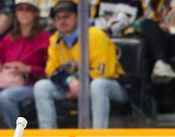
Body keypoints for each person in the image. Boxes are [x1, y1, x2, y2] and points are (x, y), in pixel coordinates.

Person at [32, 0, 127, 129]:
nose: (62, 21)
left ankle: (98, 135)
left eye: (67, 16)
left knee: (98, 85)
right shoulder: (55, 40)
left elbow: (103, 71)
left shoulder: (95, 35)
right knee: (41, 87)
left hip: (112, 85)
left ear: (77, 17)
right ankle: (49, 135)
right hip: (73, 86)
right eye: (58, 18)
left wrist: (80, 86)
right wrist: (70, 83)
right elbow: (51, 70)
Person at [0, 0, 50, 128]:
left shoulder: (45, 38)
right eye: (20, 9)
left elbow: (48, 70)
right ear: (16, 13)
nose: (24, 13)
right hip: (5, 83)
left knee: (6, 97)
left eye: (28, 9)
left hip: (31, 85)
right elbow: (1, 60)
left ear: (35, 13)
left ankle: (13, 135)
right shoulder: (8, 39)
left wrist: (28, 69)